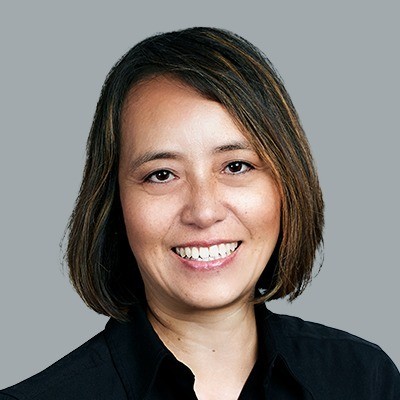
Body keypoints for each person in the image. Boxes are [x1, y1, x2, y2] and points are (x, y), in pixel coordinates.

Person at [1, 27, 399, 400]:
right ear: (113, 201)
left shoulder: (364, 379)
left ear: (287, 183)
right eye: (161, 174)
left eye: (236, 166)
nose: (204, 212)